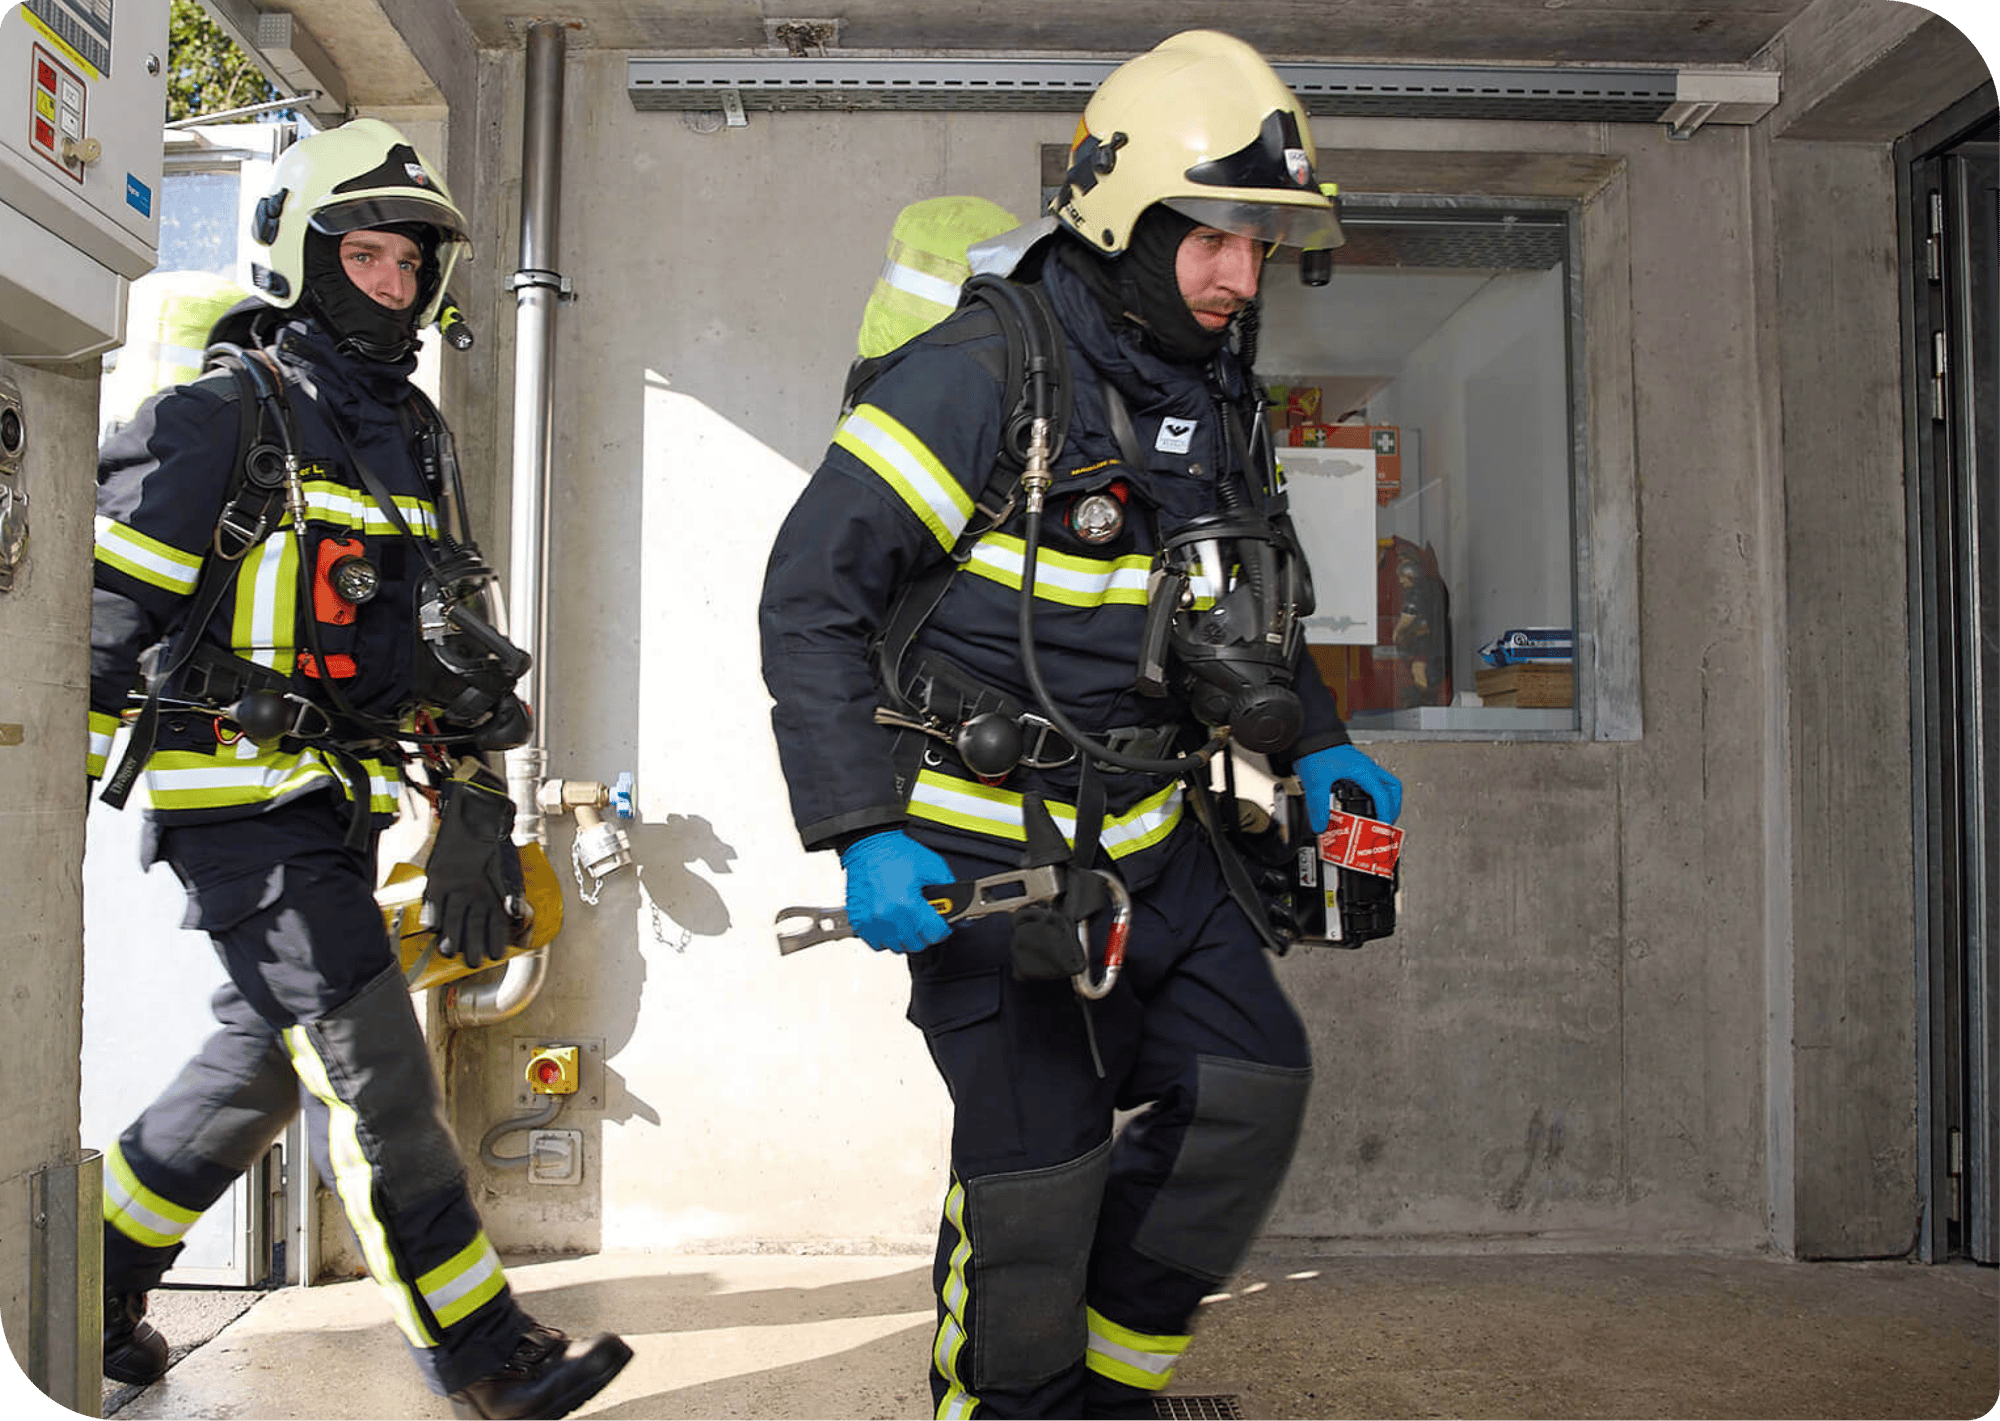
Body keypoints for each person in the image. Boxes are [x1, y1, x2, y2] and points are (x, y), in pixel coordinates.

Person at [759, 30, 1404, 1421]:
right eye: (1218, 235)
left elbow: (1236, 606)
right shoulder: (983, 373)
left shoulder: (1217, 390)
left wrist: (1319, 738)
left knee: (1245, 1094)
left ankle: (1103, 1399)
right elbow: (809, 594)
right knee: (1034, 1188)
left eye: (1264, 238)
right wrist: (865, 830)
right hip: (998, 865)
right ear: (1125, 217)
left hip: (1166, 843)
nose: (1245, 272)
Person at [87, 118, 631, 1421]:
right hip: (236, 812)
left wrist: (482, 810)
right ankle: (485, 1353)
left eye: (411, 266)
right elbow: (93, 638)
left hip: (339, 808)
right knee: (377, 1067)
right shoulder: (218, 418)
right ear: (306, 257)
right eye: (368, 257)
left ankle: (97, 1282)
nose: (393, 287)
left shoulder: (419, 438)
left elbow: (453, 642)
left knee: (262, 1065)